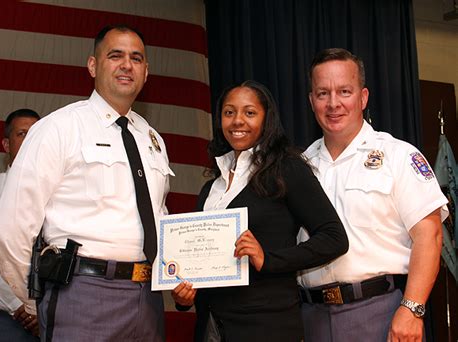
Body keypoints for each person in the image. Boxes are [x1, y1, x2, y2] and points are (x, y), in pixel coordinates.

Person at [0, 25, 173, 341]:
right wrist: (35, 298)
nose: (126, 65)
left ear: (146, 72)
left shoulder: (152, 138)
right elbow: (11, 230)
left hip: (147, 296)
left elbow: (159, 214)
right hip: (82, 294)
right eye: (115, 56)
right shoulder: (58, 129)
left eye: (136, 58)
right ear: (93, 65)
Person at [172, 80, 349, 342]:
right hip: (212, 327)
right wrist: (184, 296)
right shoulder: (212, 187)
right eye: (229, 112)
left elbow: (334, 238)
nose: (237, 121)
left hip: (267, 327)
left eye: (249, 112)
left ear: (267, 120)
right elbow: (201, 264)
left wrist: (268, 259)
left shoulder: (287, 169)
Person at [297, 48, 449, 342]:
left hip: (379, 314)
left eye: (344, 91)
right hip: (311, 318)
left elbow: (429, 236)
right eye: (322, 93)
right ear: (311, 100)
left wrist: (412, 309)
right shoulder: (299, 166)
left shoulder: (398, 155)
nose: (333, 104)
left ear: (363, 97)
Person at [0, 109, 40, 341]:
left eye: (36, 134)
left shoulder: (64, 195)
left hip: (55, 318)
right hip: (3, 319)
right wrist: (20, 306)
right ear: (6, 145)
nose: (30, 141)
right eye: (22, 134)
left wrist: (42, 310)